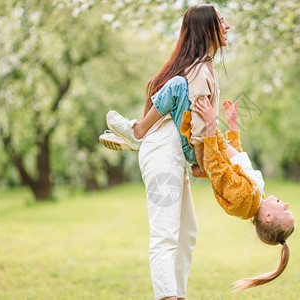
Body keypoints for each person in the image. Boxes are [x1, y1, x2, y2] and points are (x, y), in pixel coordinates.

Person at [100, 4, 231, 300]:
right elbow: (199, 125)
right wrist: (201, 161)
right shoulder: (197, 71)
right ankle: (137, 132)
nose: (228, 27)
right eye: (222, 21)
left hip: (174, 157)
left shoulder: (203, 67)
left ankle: (178, 294)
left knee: (186, 236)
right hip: (161, 155)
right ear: (208, 27)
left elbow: (197, 124)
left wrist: (200, 161)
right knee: (166, 235)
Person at [102, 98, 296, 291]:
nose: (286, 204)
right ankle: (139, 138)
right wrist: (233, 124)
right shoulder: (257, 193)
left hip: (206, 144)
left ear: (268, 217)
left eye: (284, 211)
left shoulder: (245, 200)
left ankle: (138, 135)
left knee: (178, 91)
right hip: (210, 142)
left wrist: (211, 126)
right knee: (180, 109)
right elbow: (237, 158)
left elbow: (217, 168)